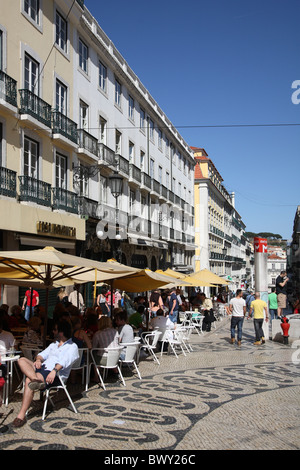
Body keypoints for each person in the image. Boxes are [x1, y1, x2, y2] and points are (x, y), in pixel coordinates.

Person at [12, 320, 79, 428]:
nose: (53, 332)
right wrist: (38, 360)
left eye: (55, 330)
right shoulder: (54, 344)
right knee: (22, 360)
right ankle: (36, 380)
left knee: (28, 381)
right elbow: (42, 355)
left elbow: (64, 361)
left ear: (61, 332)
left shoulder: (72, 346)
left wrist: (54, 371)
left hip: (54, 374)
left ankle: (21, 415)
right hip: (42, 369)